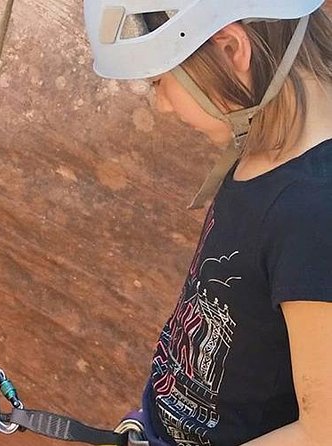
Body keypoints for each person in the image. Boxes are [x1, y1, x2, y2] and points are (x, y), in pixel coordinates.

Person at [83, 0, 332, 445]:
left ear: (230, 49)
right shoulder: (262, 143)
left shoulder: (315, 214)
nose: (160, 105)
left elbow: (323, 430)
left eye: (160, 81)